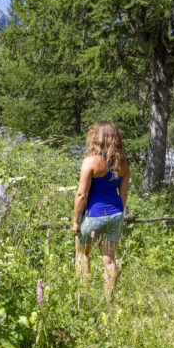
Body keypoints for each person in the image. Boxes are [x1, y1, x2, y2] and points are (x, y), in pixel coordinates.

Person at [71, 121, 130, 303]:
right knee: (109, 260)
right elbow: (124, 195)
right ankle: (108, 302)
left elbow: (81, 194)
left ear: (96, 138)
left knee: (82, 255)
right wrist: (117, 215)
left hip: (93, 216)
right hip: (116, 214)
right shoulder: (123, 164)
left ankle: (84, 299)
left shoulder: (90, 162)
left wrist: (75, 221)